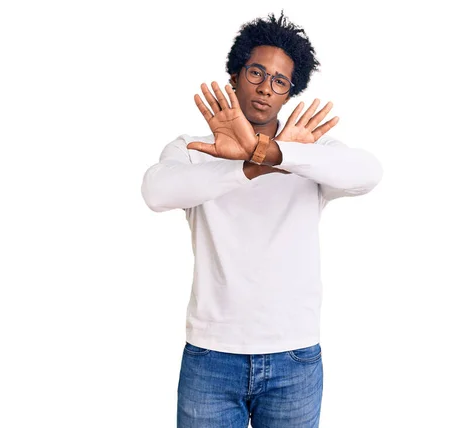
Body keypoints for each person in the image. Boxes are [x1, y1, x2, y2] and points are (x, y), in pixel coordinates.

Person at [141, 11, 383, 428]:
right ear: (235, 74)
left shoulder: (310, 154)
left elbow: (368, 173)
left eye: (279, 81)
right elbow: (156, 192)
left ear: (290, 92)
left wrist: (277, 154)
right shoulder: (195, 148)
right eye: (256, 72)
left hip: (295, 355)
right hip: (211, 355)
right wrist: (246, 167)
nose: (265, 89)